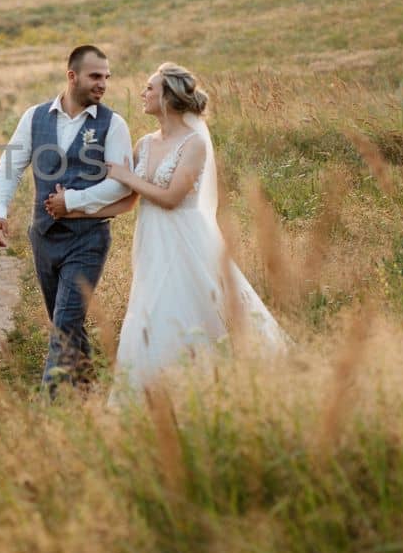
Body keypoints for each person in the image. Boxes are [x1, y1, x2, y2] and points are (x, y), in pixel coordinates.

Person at [55, 62, 285, 396]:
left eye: (150, 87)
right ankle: (158, 387)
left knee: (195, 305)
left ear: (169, 97)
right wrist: (74, 209)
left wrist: (127, 175)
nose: (143, 93)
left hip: (188, 240)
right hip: (152, 242)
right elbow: (130, 201)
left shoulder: (194, 144)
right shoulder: (144, 143)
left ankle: (215, 382)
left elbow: (172, 197)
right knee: (152, 308)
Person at [0, 45, 134, 392]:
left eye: (106, 78)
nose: (103, 84)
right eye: (95, 76)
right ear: (72, 76)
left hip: (88, 239)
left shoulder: (114, 124)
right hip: (44, 237)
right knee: (65, 319)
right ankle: (89, 390)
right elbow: (10, 167)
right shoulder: (34, 117)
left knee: (65, 322)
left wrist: (75, 201)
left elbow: (121, 184)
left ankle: (48, 406)